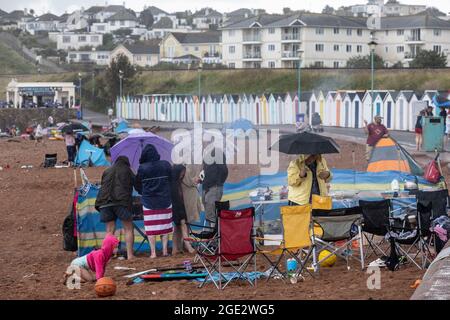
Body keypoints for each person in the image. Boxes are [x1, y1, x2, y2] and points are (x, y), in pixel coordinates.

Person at [135, 144, 173, 258]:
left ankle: (153, 253)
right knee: (165, 226)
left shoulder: (142, 168)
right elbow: (172, 180)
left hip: (149, 202)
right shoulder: (166, 164)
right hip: (165, 200)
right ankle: (165, 251)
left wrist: (143, 192)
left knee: (151, 228)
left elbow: (137, 183)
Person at [95, 156, 136, 260]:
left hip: (104, 202)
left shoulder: (107, 170)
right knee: (128, 228)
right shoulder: (127, 170)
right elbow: (136, 183)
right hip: (121, 201)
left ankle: (106, 256)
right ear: (127, 163)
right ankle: (130, 255)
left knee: (109, 231)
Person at [171, 164, 195, 254]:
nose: (183, 175)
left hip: (177, 209)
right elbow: (177, 199)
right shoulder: (175, 184)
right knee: (184, 227)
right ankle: (189, 247)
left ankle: (175, 248)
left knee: (177, 229)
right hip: (178, 209)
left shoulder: (175, 182)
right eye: (182, 173)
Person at [200, 148, 228, 226]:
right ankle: (212, 234)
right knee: (209, 214)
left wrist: (218, 182)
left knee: (211, 215)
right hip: (206, 188)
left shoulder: (217, 153)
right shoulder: (207, 156)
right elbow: (206, 172)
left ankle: (213, 235)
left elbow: (224, 171)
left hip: (214, 188)